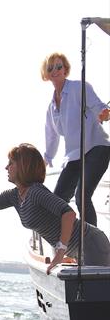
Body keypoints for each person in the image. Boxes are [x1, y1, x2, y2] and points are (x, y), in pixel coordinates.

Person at [0, 143, 110, 273]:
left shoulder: (35, 192)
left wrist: (60, 250)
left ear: (23, 166)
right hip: (78, 249)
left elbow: (68, 213)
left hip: (91, 243)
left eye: (11, 163)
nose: (6, 167)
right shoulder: (15, 195)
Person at [42, 52, 110, 226]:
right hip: (74, 156)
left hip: (96, 148)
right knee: (56, 201)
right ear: (46, 73)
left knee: (82, 196)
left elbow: (97, 106)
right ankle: (66, 244)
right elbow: (51, 135)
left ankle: (92, 243)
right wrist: (46, 158)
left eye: (59, 66)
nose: (55, 70)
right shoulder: (51, 108)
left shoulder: (79, 88)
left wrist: (103, 114)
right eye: (51, 68)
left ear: (65, 70)